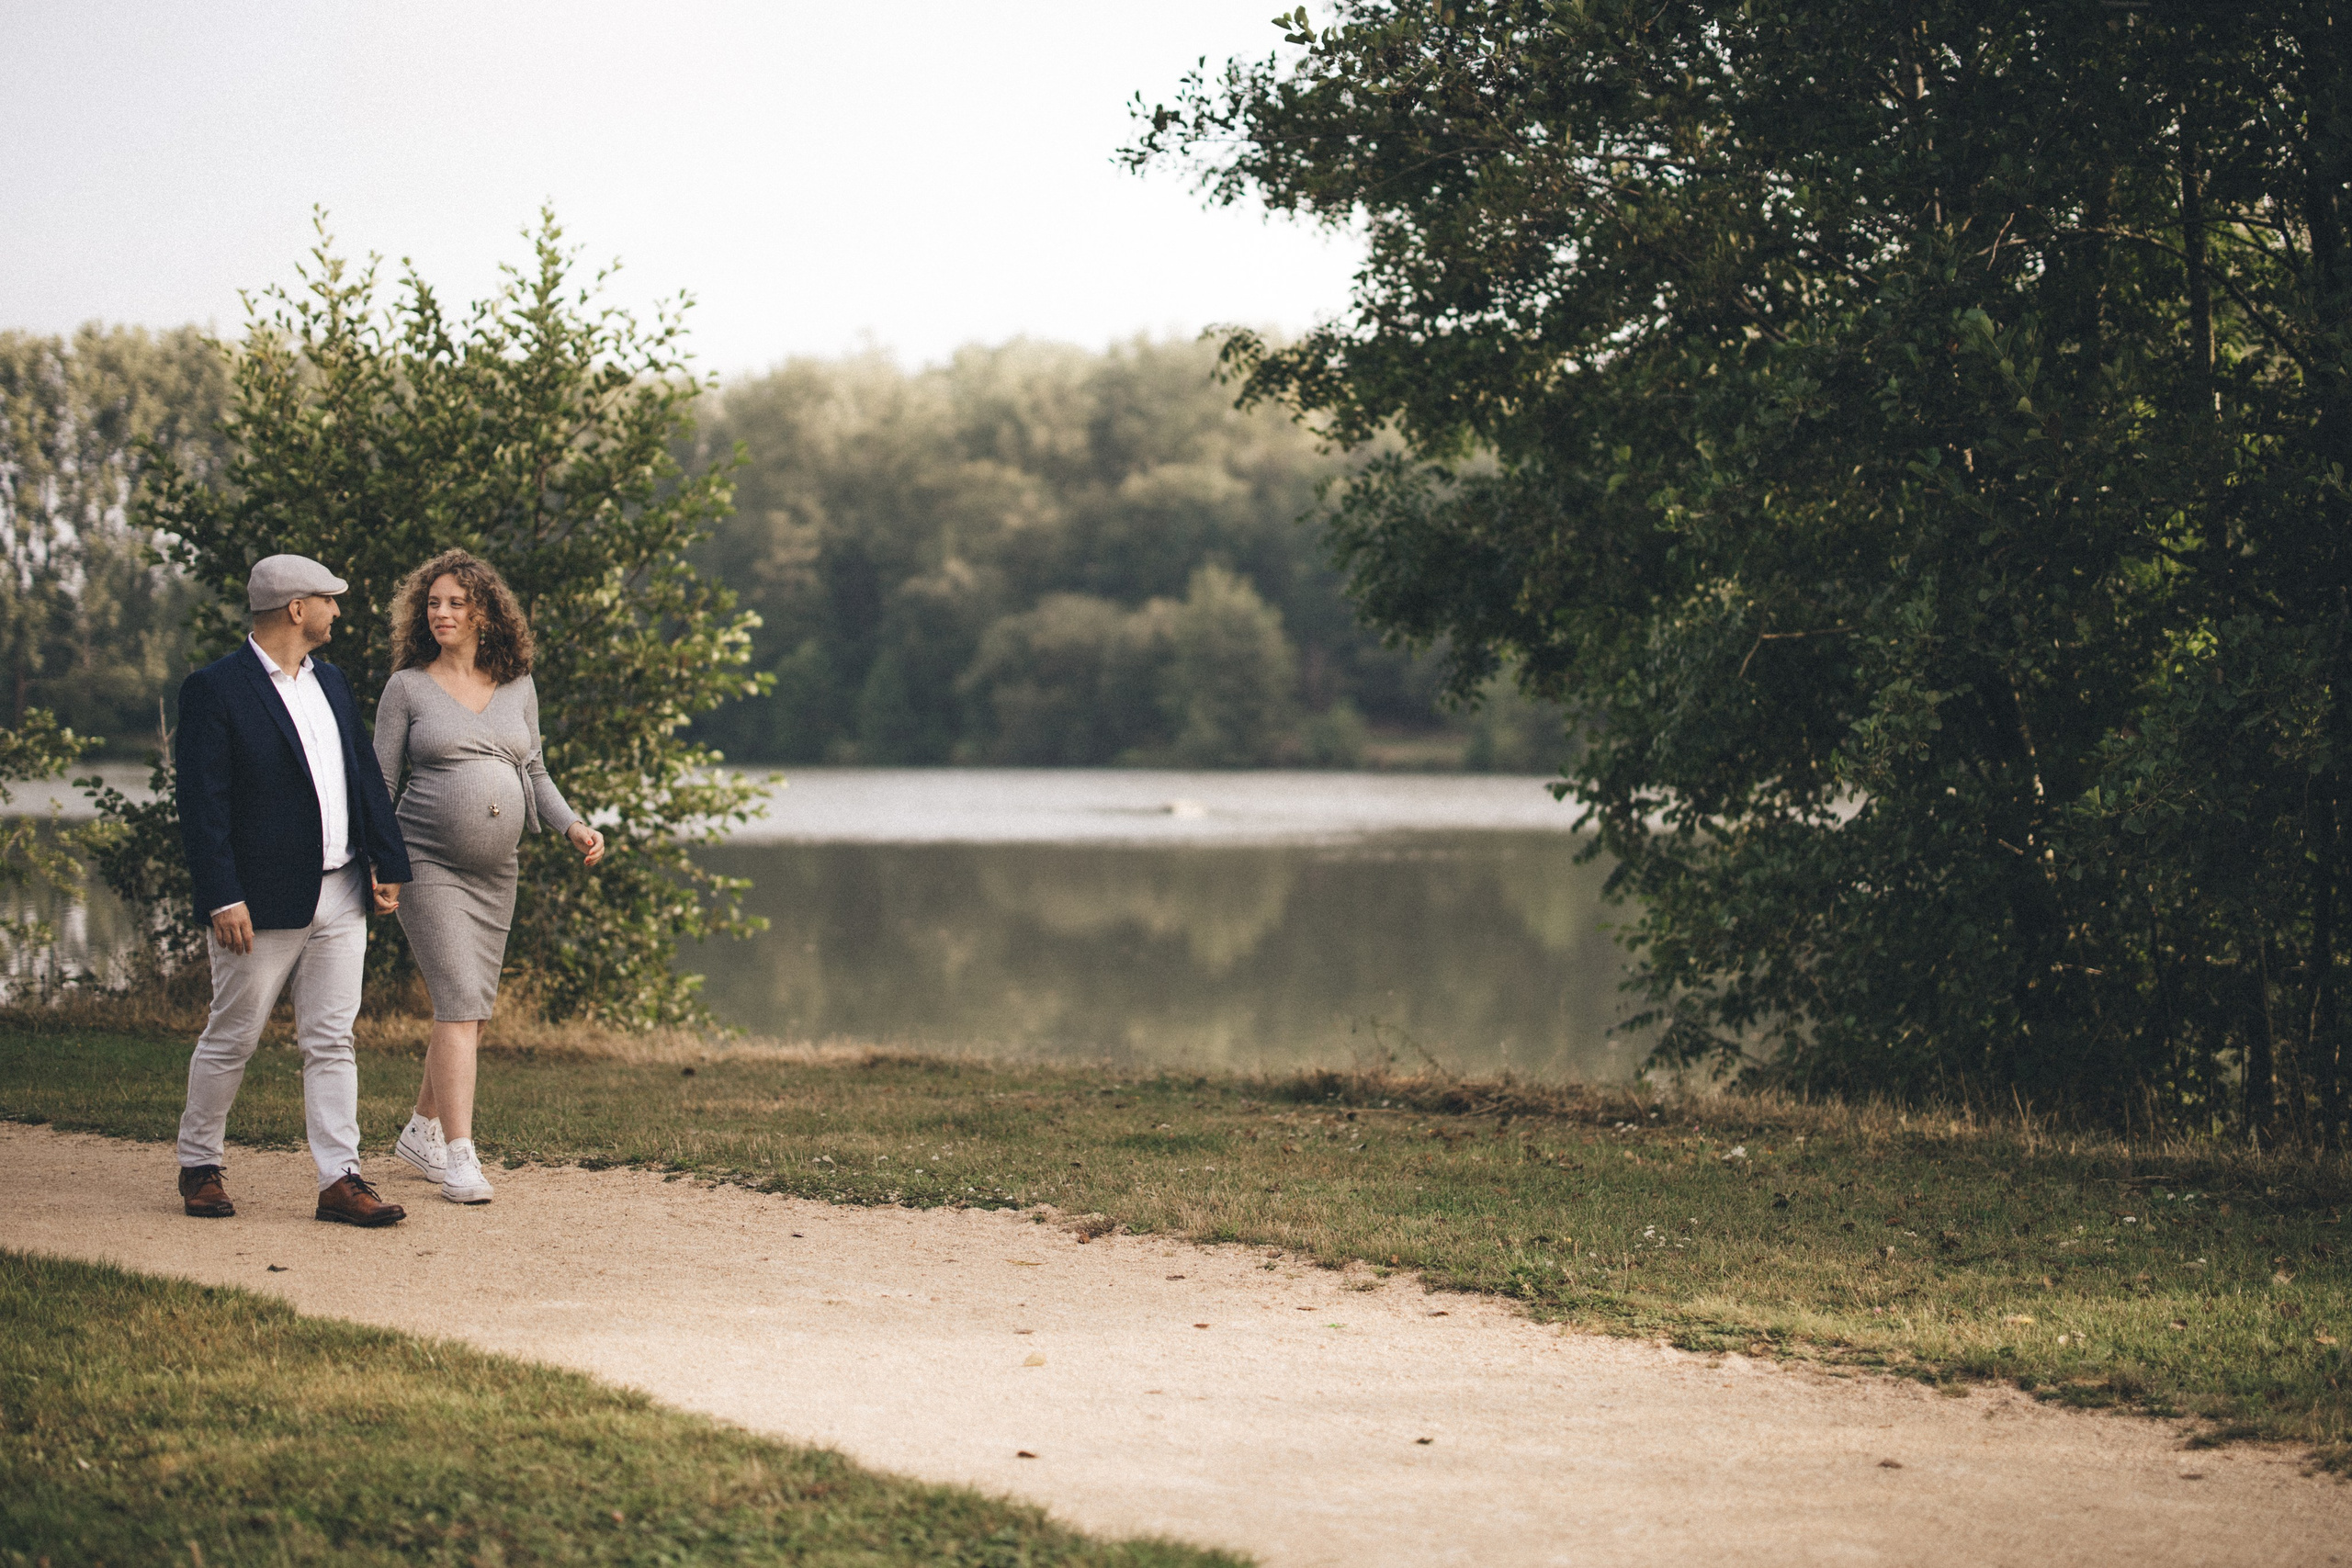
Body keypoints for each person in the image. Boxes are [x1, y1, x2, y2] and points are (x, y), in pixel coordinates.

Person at [175, 554, 413, 1226]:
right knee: (234, 1034)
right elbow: (202, 804)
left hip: (341, 892)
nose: (338, 610)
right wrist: (222, 895)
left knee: (333, 1037)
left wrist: (385, 859)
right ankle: (200, 1164)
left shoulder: (330, 682)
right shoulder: (215, 689)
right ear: (295, 609)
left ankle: (341, 1177)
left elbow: (362, 775)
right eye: (328, 600)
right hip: (259, 901)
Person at [375, 549, 605, 1204]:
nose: (442, 613)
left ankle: (421, 1129)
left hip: (495, 870)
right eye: (433, 603)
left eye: (455, 602)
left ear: (484, 611)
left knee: (472, 1013)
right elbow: (380, 784)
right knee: (457, 1003)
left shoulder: (518, 684)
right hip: (426, 860)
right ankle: (460, 1155)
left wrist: (573, 827)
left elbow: (535, 774)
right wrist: (382, 862)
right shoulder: (408, 687)